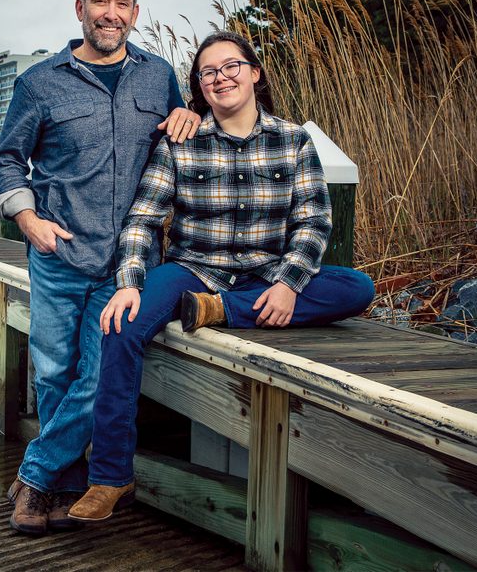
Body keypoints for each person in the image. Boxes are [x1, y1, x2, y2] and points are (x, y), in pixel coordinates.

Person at [67, 31, 376, 522]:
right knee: (120, 327)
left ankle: (223, 313)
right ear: (200, 87)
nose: (220, 78)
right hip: (192, 271)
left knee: (359, 288)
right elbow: (144, 219)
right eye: (208, 73)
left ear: (255, 74)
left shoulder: (293, 140)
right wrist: (128, 282)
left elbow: (314, 222)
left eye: (231, 66)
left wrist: (289, 282)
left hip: (265, 275)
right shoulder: (180, 142)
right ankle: (110, 477)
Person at [0, 0, 201, 535]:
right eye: (100, 1)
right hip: (57, 254)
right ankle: (61, 486)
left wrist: (188, 113)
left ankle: (33, 478)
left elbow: (182, 135)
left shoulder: (158, 76)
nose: (111, 13)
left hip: (129, 265)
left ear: (135, 13)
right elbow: (8, 159)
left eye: (123, 3)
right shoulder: (40, 82)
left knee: (100, 374)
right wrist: (26, 217)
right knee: (55, 375)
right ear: (79, 9)